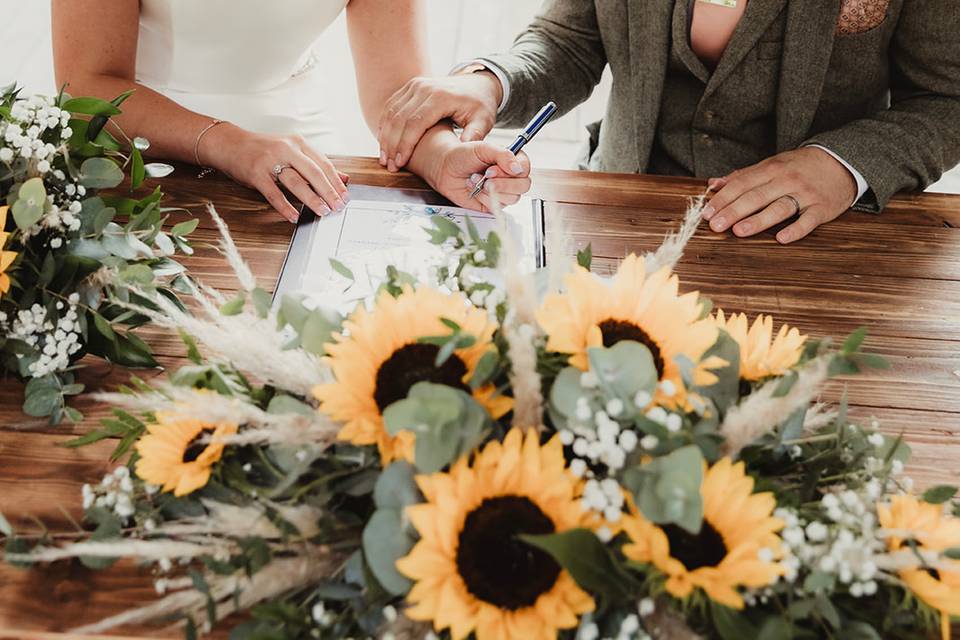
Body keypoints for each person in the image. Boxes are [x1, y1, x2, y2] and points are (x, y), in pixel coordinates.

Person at [377, 0, 960, 244]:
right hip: (617, 228)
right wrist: (487, 81)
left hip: (812, 242)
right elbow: (571, 42)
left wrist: (840, 165)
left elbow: (946, 98)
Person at [51, 0, 531, 223]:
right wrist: (230, 143)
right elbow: (86, 89)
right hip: (133, 147)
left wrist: (441, 155)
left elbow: (394, 89)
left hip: (292, 150)